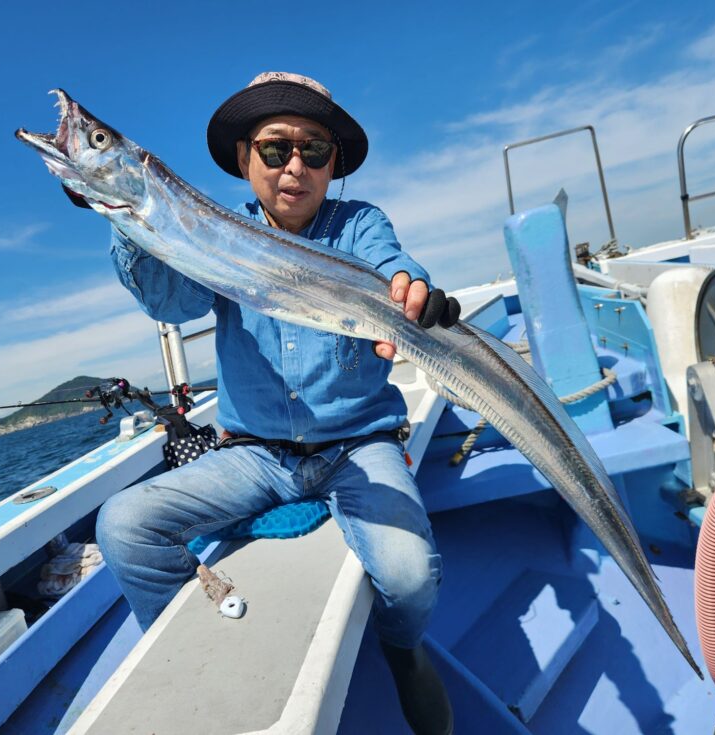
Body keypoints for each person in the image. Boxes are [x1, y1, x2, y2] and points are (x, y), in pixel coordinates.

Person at [95, 72, 458, 734]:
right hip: (254, 454)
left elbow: (396, 266)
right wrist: (128, 218)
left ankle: (402, 650)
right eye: (274, 148)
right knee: (123, 524)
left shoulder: (358, 225)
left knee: (408, 577)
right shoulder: (216, 235)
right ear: (244, 157)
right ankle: (193, 646)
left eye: (314, 150)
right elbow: (169, 301)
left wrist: (414, 292)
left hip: (358, 445)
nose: (295, 166)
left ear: (332, 163)